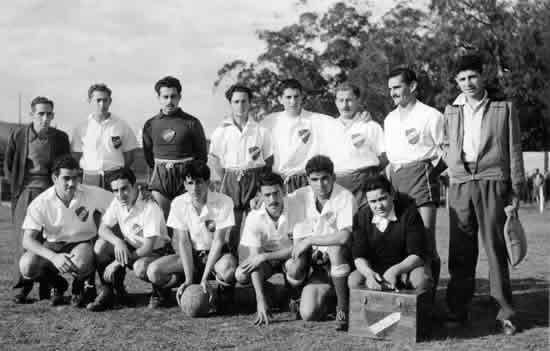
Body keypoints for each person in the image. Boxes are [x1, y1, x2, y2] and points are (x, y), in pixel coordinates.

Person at [443, 54, 525, 335]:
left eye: (472, 77)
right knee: (460, 251)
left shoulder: (504, 108)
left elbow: (514, 150)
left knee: (495, 249)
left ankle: (505, 313)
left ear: (482, 75)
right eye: (462, 79)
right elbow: (446, 142)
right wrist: (452, 167)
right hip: (461, 184)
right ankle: (456, 309)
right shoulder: (451, 110)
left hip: (493, 181)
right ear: (456, 81)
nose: (468, 83)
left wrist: (515, 189)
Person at [18, 155, 112, 307]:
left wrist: (142, 196)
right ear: (55, 178)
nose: (72, 183)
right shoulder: (41, 202)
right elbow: (27, 240)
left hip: (81, 245)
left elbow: (119, 201)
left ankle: (80, 284)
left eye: (75, 178)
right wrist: (54, 257)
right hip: (53, 245)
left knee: (82, 262)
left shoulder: (92, 193)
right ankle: (57, 283)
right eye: (66, 178)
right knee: (27, 265)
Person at [142, 160, 236, 311]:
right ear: (184, 185)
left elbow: (218, 241)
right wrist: (188, 279)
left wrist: (205, 278)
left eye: (199, 182)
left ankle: (221, 294)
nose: (194, 188)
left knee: (229, 267)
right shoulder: (178, 203)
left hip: (215, 254)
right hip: (191, 255)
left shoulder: (224, 201)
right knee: (153, 271)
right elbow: (183, 242)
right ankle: (172, 290)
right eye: (190, 183)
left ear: (207, 182)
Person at [383, 67, 445, 294]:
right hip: (396, 182)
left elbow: (445, 152)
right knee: (403, 242)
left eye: (397, 87)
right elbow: (390, 157)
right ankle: (408, 298)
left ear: (413, 86)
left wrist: (429, 173)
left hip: (421, 178)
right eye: (390, 88)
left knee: (426, 243)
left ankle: (431, 300)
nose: (393, 93)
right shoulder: (389, 119)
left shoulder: (431, 115)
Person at [4, 96, 71, 303]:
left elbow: (65, 167)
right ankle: (22, 287)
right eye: (40, 113)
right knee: (23, 242)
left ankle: (49, 286)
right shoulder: (19, 135)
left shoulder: (60, 137)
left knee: (49, 241)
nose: (45, 118)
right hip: (25, 193)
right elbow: (9, 165)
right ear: (31, 114)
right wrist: (17, 189)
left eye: (49, 114)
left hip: (50, 194)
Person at [284, 155, 355, 331]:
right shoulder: (300, 195)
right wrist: (258, 199)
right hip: (317, 266)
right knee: (309, 314)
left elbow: (344, 237)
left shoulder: (345, 197)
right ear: (308, 179)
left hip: (342, 262)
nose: (320, 184)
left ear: (333, 177)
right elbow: (275, 198)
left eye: (325, 178)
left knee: (335, 248)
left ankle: (343, 308)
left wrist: (309, 240)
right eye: (314, 179)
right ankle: (303, 296)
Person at [86, 168, 171, 311]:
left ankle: (161, 291)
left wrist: (118, 262)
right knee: (100, 246)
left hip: (156, 252)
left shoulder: (150, 207)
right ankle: (112, 292)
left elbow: (148, 247)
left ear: (135, 185)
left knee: (140, 268)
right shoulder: (117, 202)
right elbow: (102, 229)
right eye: (115, 190)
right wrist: (118, 242)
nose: (120, 195)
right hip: (131, 246)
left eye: (124, 189)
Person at [209, 84, 273, 252]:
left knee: (258, 221)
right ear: (230, 103)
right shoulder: (221, 131)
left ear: (250, 102)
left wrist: (261, 188)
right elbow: (214, 158)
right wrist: (226, 178)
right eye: (236, 101)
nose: (240, 105)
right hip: (231, 179)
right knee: (232, 225)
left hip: (255, 179)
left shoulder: (261, 130)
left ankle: (257, 263)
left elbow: (269, 160)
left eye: (244, 101)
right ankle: (230, 261)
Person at [348, 174, 432, 293]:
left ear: (392, 194)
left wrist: (395, 271)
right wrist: (369, 274)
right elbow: (359, 255)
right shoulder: (361, 217)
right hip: (376, 268)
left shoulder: (410, 213)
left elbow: (417, 254)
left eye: (382, 199)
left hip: (406, 267)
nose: (378, 206)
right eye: (373, 202)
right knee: (354, 280)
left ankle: (419, 310)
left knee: (421, 279)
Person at [142, 76, 208, 218]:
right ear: (158, 98)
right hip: (161, 178)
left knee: (186, 220)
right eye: (165, 97)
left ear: (179, 97)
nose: (169, 101)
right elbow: (148, 156)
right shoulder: (150, 124)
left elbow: (202, 155)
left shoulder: (192, 122)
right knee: (161, 221)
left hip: (186, 177)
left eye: (173, 96)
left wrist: (193, 177)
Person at [235, 172, 293, 326]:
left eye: (276, 193)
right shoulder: (253, 217)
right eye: (267, 195)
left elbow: (298, 248)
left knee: (294, 266)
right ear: (260, 195)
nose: (273, 200)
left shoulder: (295, 207)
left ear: (284, 191)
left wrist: (264, 257)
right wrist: (260, 301)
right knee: (241, 275)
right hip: (266, 260)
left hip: (289, 256)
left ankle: (292, 293)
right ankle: (270, 293)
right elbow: (255, 260)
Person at [261, 79, 335, 194]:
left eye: (296, 96)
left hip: (308, 181)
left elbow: (342, 123)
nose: (293, 101)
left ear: (302, 97)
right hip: (280, 181)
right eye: (288, 97)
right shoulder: (270, 121)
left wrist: (363, 116)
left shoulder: (317, 120)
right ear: (280, 99)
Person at [71, 83, 138, 190]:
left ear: (110, 101)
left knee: (114, 206)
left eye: (105, 100)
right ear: (89, 100)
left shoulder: (121, 125)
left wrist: (117, 171)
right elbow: (76, 155)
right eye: (98, 100)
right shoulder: (81, 128)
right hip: (89, 177)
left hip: (114, 177)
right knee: (91, 207)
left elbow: (130, 154)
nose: (102, 104)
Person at [332, 82, 387, 206]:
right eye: (341, 100)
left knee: (365, 222)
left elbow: (384, 155)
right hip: (337, 184)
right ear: (335, 102)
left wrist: (369, 173)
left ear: (357, 100)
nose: (345, 105)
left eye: (349, 100)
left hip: (365, 183)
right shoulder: (328, 127)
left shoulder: (371, 126)